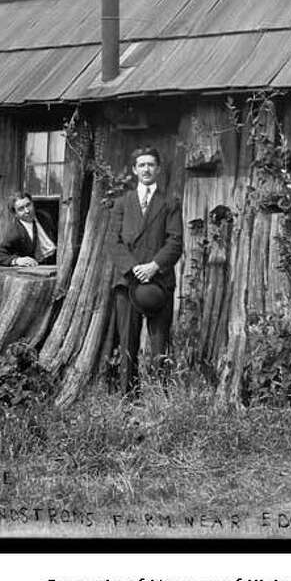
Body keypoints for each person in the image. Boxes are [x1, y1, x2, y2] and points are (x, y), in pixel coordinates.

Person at [111, 146, 183, 395]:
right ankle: (128, 396)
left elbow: (175, 241)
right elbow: (113, 242)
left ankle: (161, 396)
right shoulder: (122, 203)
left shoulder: (170, 202)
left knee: (159, 343)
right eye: (141, 165)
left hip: (159, 282)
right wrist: (133, 269)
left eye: (151, 164)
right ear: (134, 170)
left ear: (159, 169)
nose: (146, 169)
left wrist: (153, 266)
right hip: (128, 281)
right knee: (127, 341)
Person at [0, 191, 57, 267]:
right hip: (38, 268)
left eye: (28, 205)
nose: (27, 211)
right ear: (15, 214)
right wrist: (17, 260)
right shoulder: (15, 232)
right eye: (21, 209)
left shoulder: (44, 217)